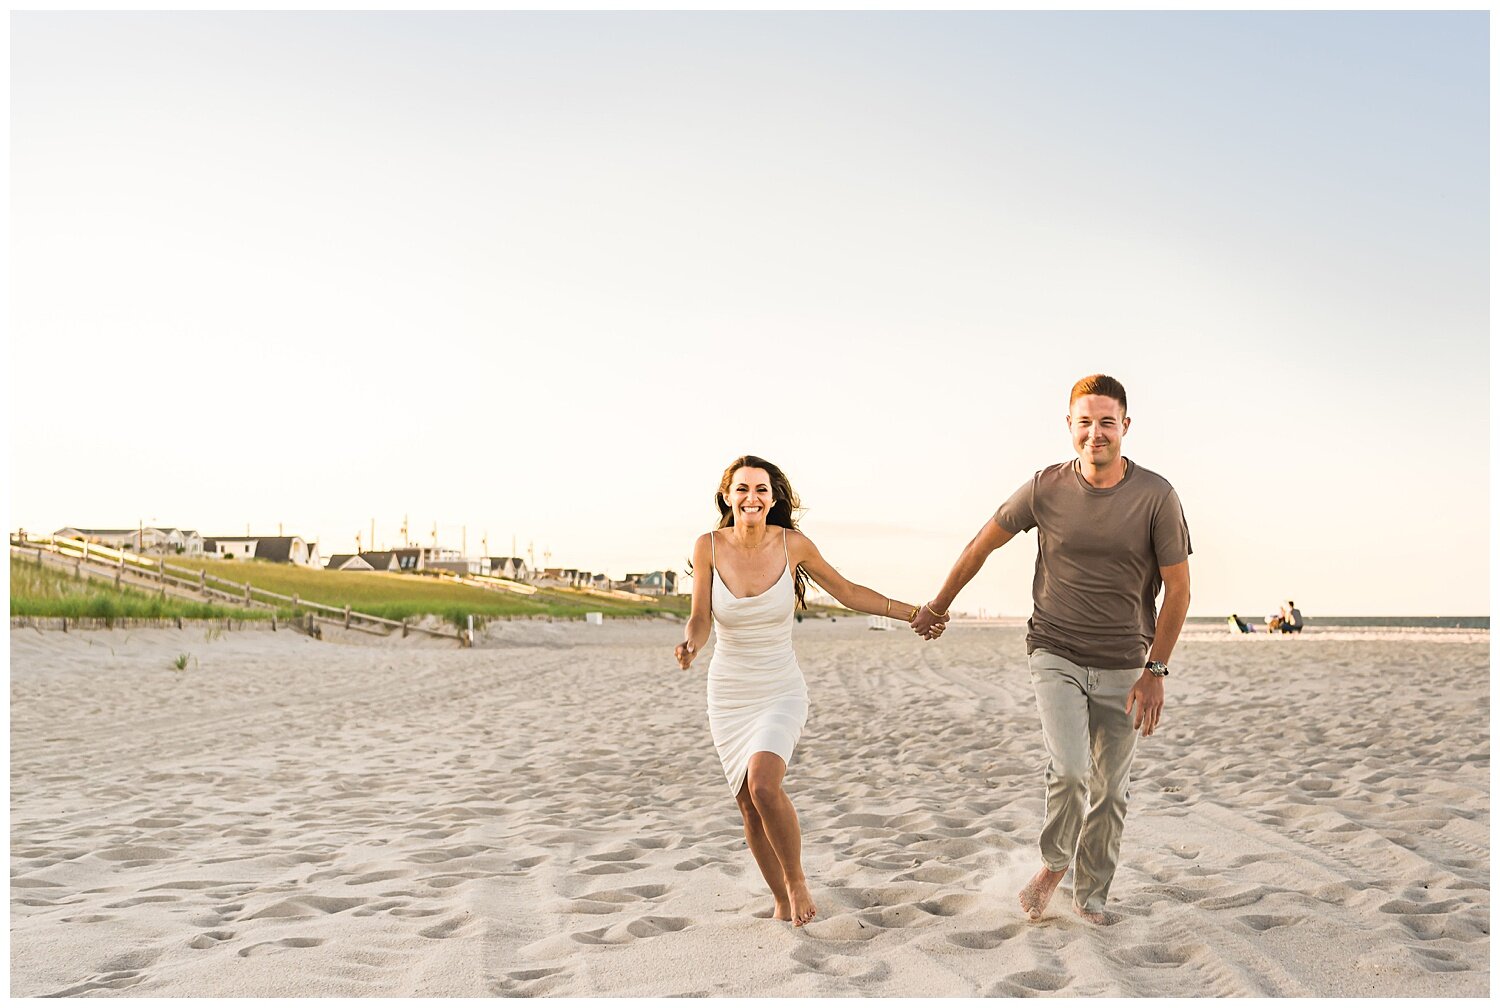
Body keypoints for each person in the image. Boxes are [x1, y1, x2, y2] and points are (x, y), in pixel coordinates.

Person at [912, 374, 1191, 925]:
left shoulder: (1156, 496)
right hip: (1056, 650)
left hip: (1126, 663)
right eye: (1084, 422)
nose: (1096, 433)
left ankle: (1089, 899)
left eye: (1107, 422)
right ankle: (1053, 865)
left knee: (1111, 793)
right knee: (1068, 771)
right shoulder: (1044, 487)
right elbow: (981, 544)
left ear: (1125, 427)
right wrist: (939, 603)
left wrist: (1155, 669)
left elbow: (1179, 588)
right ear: (1070, 426)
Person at [674, 455, 931, 927]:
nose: (753, 498)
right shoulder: (707, 546)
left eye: (762, 490)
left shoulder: (794, 545)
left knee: (764, 785)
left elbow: (848, 592)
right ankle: (778, 897)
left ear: (774, 499)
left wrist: (913, 611)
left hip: (780, 688)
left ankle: (795, 880)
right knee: (749, 807)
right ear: (727, 496)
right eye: (743, 490)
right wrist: (691, 641)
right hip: (729, 693)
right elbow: (701, 616)